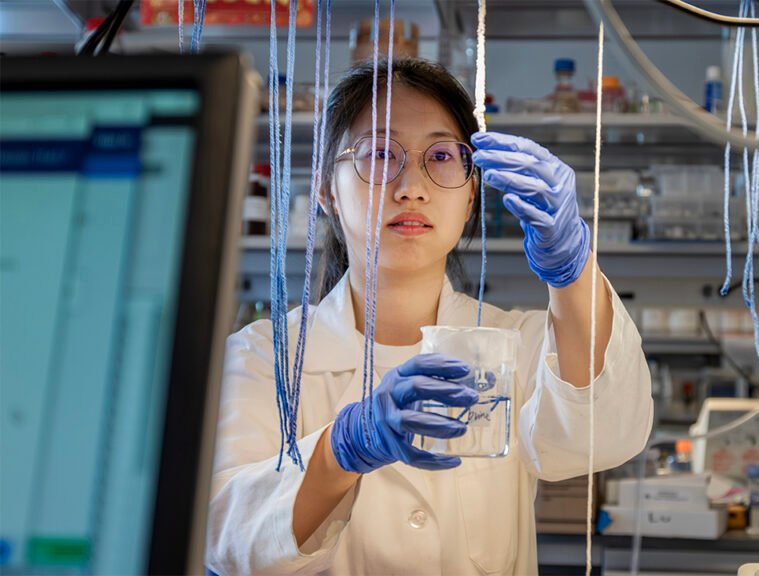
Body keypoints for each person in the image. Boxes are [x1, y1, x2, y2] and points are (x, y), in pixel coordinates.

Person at [206, 58, 653, 575]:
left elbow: (604, 433)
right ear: (326, 191)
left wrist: (572, 272)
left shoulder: (515, 344)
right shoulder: (262, 358)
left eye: (441, 156)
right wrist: (342, 450)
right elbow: (224, 537)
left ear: (469, 197)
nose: (411, 187)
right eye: (378, 153)